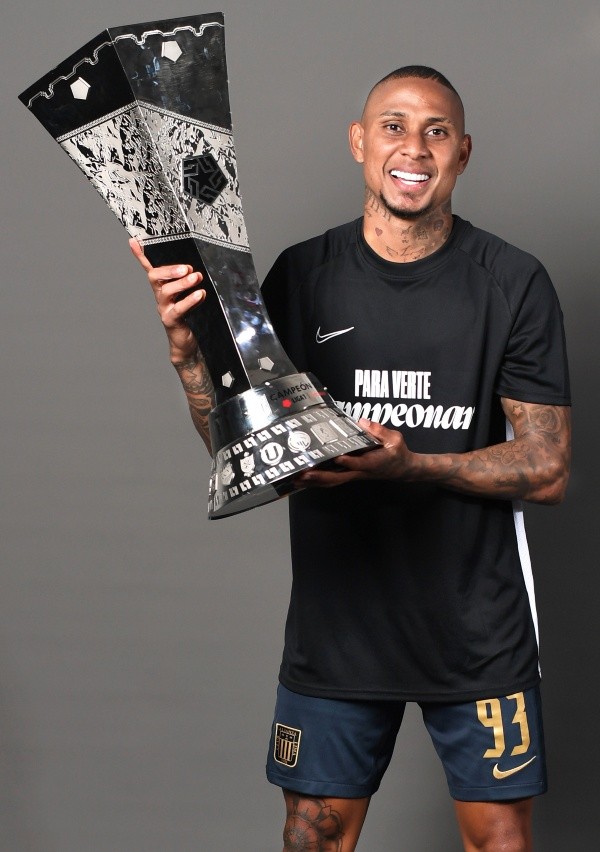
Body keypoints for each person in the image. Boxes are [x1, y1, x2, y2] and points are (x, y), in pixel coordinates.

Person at [130, 65, 571, 851]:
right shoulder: (303, 277)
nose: (415, 148)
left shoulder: (512, 282)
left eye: (437, 132)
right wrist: (188, 355)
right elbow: (244, 453)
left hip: (478, 635)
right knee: (314, 842)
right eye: (394, 127)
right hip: (338, 633)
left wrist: (413, 466)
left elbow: (548, 469)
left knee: (500, 843)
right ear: (360, 142)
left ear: (463, 152)